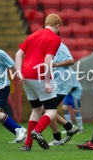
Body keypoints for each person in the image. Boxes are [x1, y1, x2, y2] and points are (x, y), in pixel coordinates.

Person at [15, 14, 62, 151]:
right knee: (51, 110)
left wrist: (18, 72)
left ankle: (27, 144)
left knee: (36, 110)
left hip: (25, 74)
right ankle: (37, 131)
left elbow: (18, 54)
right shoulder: (55, 38)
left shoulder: (33, 35)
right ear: (57, 26)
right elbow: (48, 60)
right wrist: (47, 82)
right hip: (39, 75)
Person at [47, 42, 82, 146]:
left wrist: (56, 64)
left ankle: (59, 136)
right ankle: (68, 128)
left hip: (62, 84)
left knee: (48, 110)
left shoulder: (59, 46)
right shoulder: (47, 46)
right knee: (47, 110)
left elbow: (71, 60)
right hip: (54, 83)